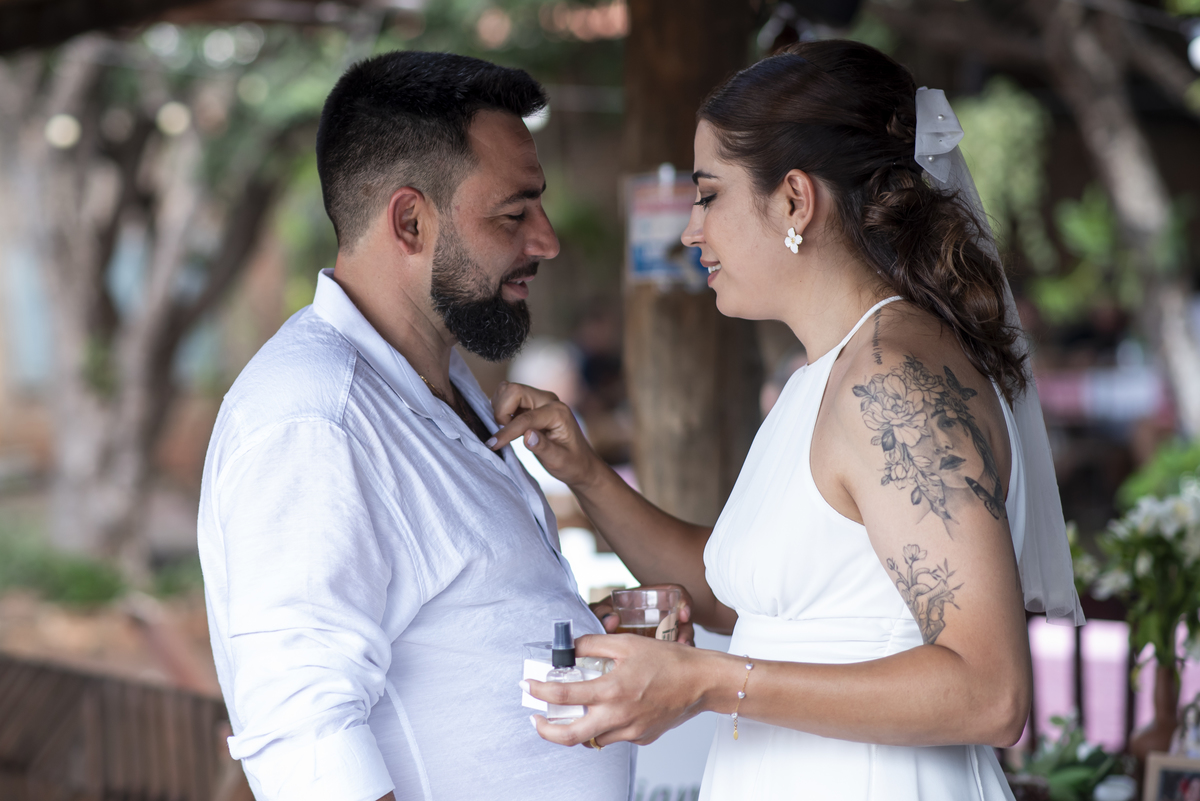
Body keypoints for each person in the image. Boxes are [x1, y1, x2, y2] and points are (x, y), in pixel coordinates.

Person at [492, 40, 1082, 799]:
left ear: (796, 199)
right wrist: (585, 472)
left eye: (709, 194)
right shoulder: (827, 373)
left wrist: (704, 680)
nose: (690, 231)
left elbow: (989, 691)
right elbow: (736, 598)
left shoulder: (894, 382)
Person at [197, 51, 643, 801]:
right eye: (514, 212)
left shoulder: (436, 380)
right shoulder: (314, 419)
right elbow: (305, 741)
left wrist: (559, 630)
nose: (547, 240)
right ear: (410, 220)